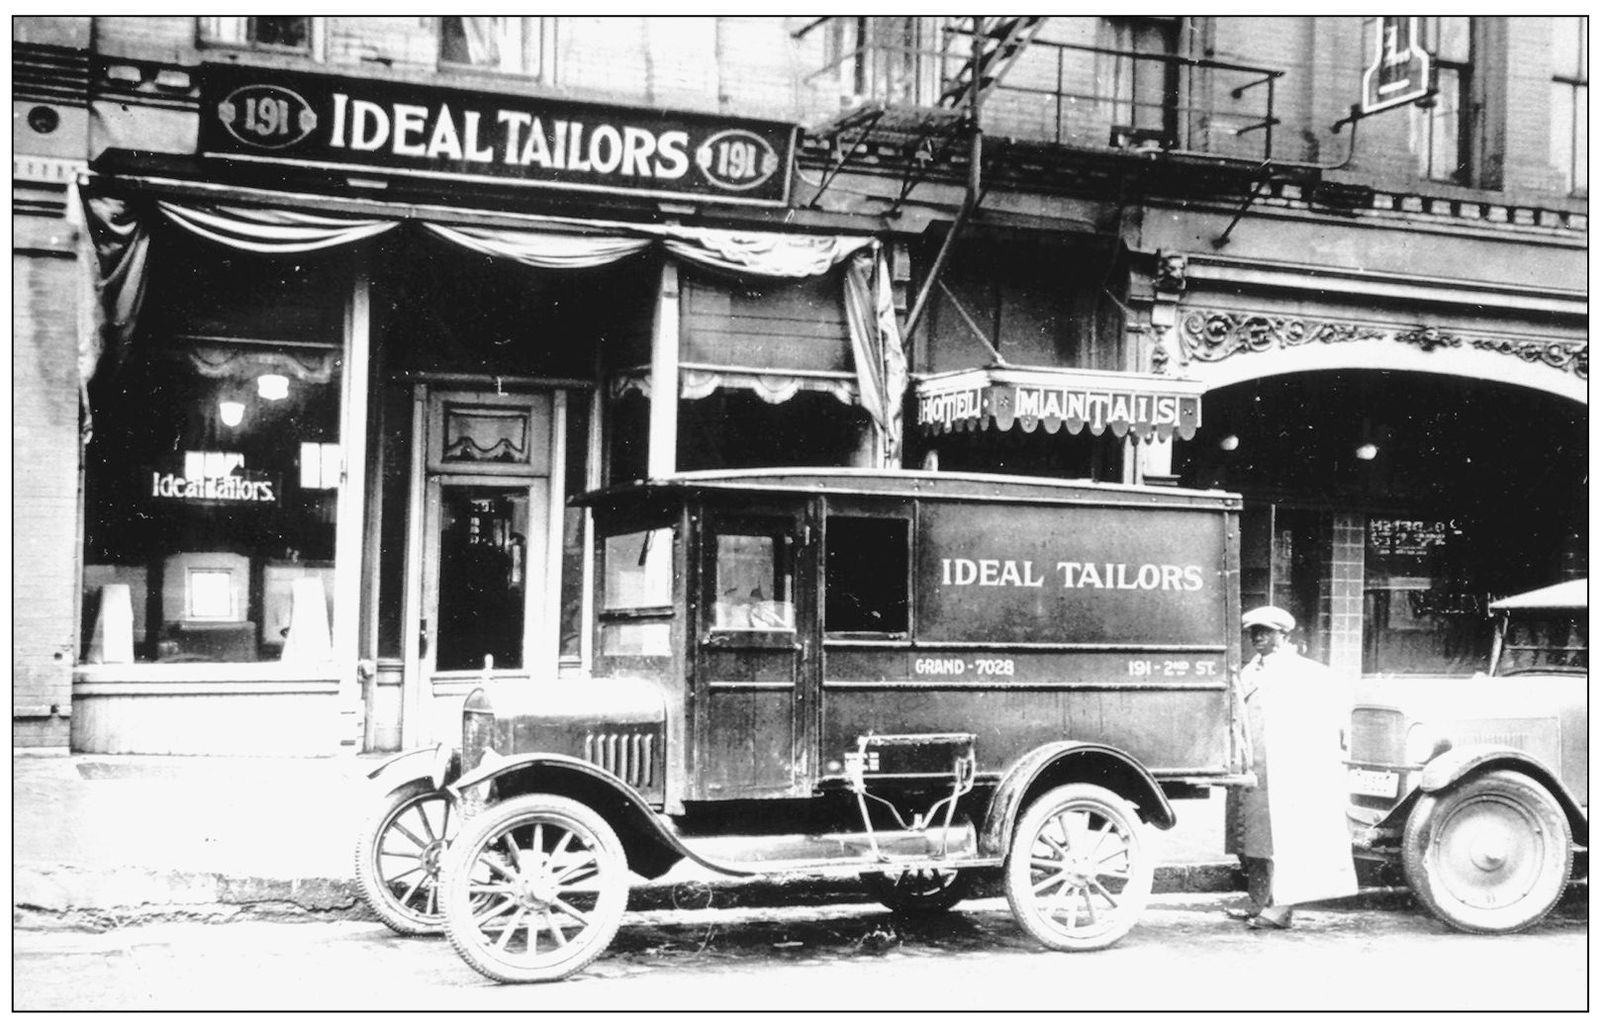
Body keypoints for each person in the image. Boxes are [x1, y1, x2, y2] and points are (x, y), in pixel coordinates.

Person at [1225, 605, 1358, 929]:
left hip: (1287, 773)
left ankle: (1281, 909)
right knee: (1254, 842)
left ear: (1284, 635)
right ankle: (1258, 902)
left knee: (1284, 842)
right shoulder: (1247, 672)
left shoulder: (1303, 674)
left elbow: (1324, 725)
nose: (1258, 637)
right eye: (1254, 632)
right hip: (1253, 770)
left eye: (1266, 631)